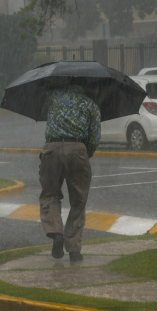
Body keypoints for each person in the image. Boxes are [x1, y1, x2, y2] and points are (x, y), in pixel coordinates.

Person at [39, 83, 100, 263]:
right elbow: (95, 138)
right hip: (78, 149)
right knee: (78, 200)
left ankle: (55, 232)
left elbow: (45, 117)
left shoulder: (53, 99)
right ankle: (74, 249)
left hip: (51, 148)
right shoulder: (91, 105)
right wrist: (83, 153)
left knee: (49, 193)